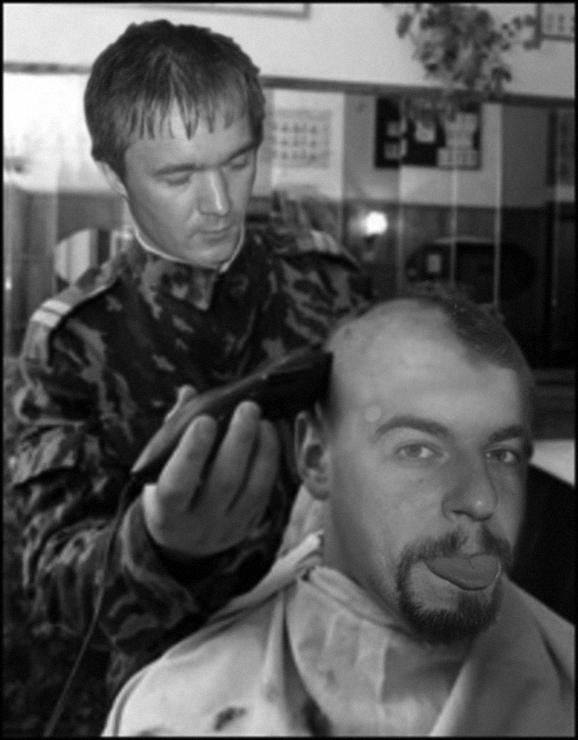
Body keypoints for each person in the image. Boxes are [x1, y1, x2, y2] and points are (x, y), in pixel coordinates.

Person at [10, 19, 368, 697]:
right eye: (178, 176)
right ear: (114, 175)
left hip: (336, 660)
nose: (220, 204)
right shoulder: (73, 341)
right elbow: (50, 583)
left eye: (238, 161)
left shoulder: (329, 281)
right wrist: (161, 544)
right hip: (173, 690)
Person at [103, 287, 574, 736]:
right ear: (314, 457)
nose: (481, 500)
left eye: (503, 455)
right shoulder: (176, 713)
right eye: (418, 451)